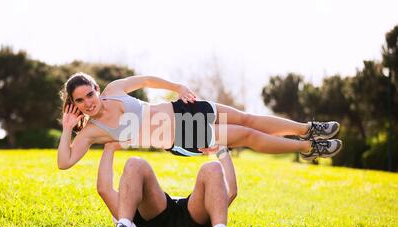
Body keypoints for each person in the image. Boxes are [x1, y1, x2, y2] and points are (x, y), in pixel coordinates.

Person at [58, 72, 342, 169]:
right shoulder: (92, 132)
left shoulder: (114, 90)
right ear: (74, 105)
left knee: (247, 118)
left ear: (96, 88)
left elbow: (145, 80)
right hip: (183, 137)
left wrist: (177, 87)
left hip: (182, 109)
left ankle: (308, 129)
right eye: (80, 101)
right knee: (248, 136)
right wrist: (68, 130)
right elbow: (64, 163)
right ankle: (308, 149)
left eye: (89, 94)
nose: (88, 103)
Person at [97, 142, 238, 227]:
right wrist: (109, 148)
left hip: (192, 218)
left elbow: (230, 192)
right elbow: (104, 189)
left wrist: (221, 150)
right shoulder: (128, 209)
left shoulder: (127, 205)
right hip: (156, 222)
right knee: (135, 163)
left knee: (212, 167)